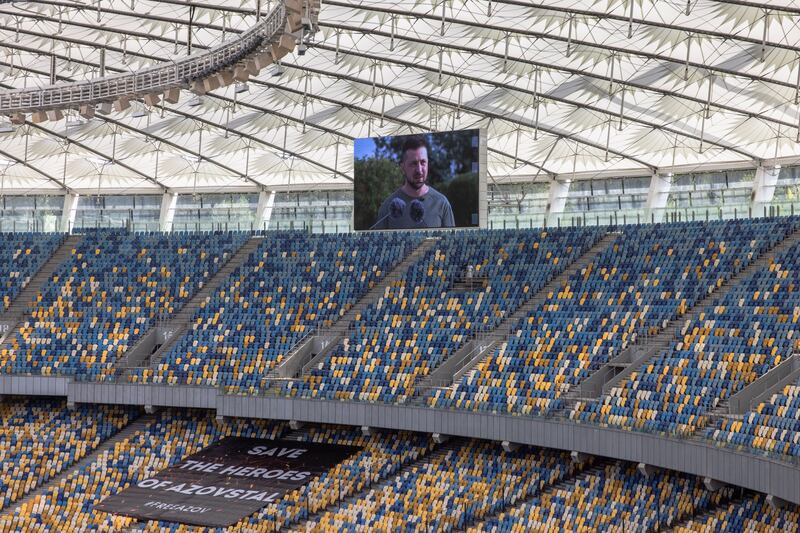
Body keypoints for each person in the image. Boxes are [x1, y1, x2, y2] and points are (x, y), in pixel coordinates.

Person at [372, 135, 455, 229]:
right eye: (413, 164)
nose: (419, 170)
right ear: (402, 167)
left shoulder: (442, 203)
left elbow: (452, 242)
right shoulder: (388, 207)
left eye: (423, 162)